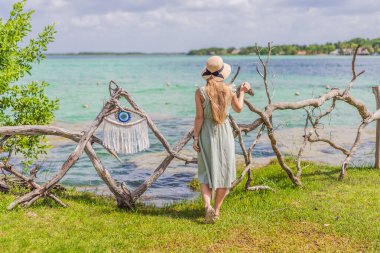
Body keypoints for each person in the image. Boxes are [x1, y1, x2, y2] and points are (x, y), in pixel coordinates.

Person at [193, 55, 251, 223]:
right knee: (225, 172)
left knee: (205, 171)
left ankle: (207, 206)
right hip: (224, 132)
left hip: (206, 133)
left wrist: (196, 138)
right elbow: (239, 108)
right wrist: (242, 92)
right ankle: (216, 211)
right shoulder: (229, 89)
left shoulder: (200, 92)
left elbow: (199, 118)